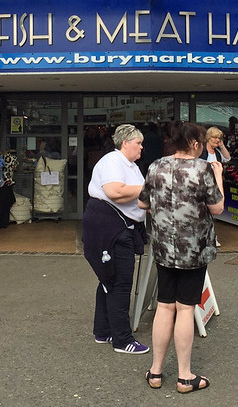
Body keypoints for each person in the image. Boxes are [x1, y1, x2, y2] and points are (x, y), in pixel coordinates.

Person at [138, 121, 224, 393]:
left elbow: (143, 203)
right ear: (196, 144)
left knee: (165, 306)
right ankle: (185, 376)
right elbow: (218, 207)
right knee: (185, 308)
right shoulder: (203, 169)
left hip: (164, 246)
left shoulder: (155, 166)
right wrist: (219, 175)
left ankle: (155, 371)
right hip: (194, 250)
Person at [81, 123, 149, 354]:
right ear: (125, 143)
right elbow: (115, 192)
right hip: (110, 228)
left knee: (108, 281)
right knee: (120, 283)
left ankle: (103, 331)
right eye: (138, 143)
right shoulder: (112, 161)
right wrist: (149, 187)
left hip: (119, 226)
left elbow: (139, 197)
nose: (141, 147)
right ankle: (122, 339)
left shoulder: (130, 165)